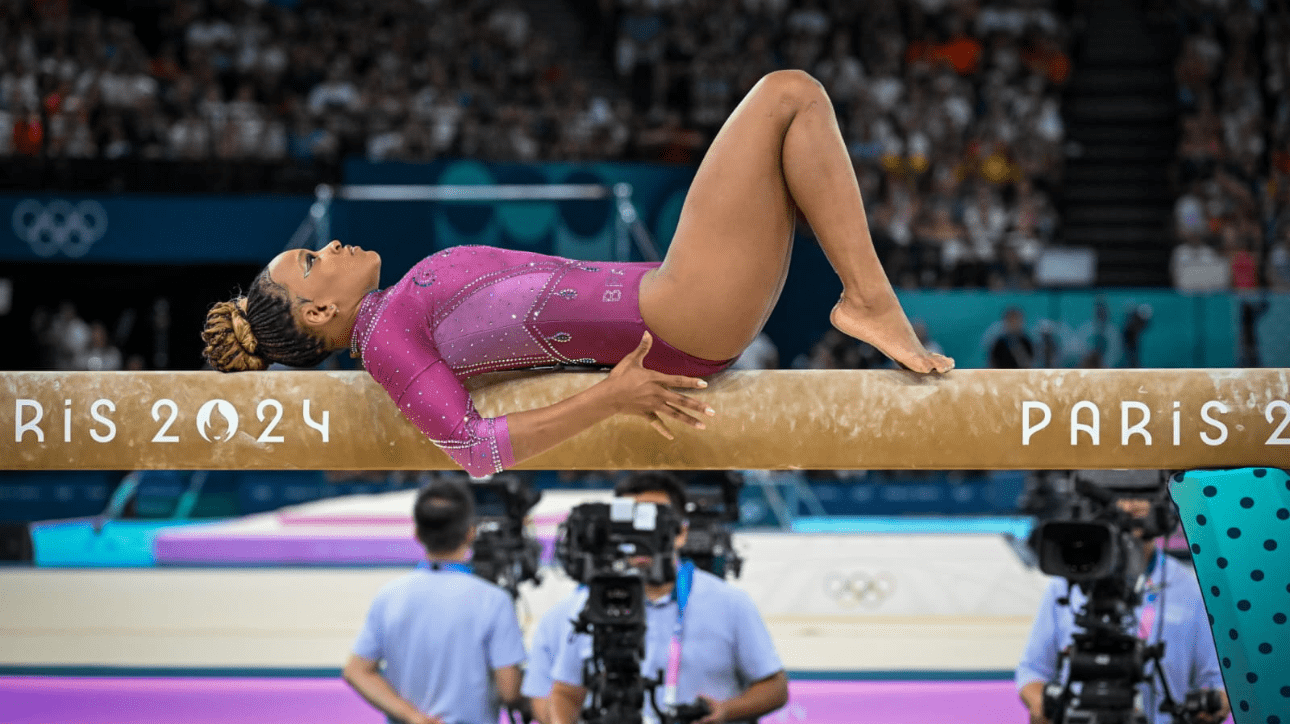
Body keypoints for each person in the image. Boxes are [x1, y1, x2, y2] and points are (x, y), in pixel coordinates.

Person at [202, 70, 954, 477]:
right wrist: (610, 397)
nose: (330, 247)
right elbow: (474, 449)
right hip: (678, 314)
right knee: (788, 95)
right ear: (318, 314)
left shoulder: (400, 308)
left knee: (791, 112)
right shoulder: (386, 342)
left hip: (678, 298)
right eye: (312, 262)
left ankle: (867, 297)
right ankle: (868, 300)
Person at [547, 472, 788, 724]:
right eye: (629, 524)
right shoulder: (591, 603)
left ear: (681, 532)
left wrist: (727, 711)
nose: (639, 538)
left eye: (650, 523)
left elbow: (775, 687)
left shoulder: (729, 603)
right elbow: (565, 692)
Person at [1015, 481, 1230, 724]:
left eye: (1140, 495)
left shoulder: (1190, 588)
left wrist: (1213, 705)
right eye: (1118, 496)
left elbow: (1217, 681)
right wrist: (1041, 705)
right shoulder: (1067, 583)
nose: (1130, 506)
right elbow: (1032, 671)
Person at [343, 479, 527, 724]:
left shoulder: (389, 596)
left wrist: (414, 717)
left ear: (417, 533)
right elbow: (510, 691)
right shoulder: (493, 601)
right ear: (470, 532)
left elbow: (357, 670)